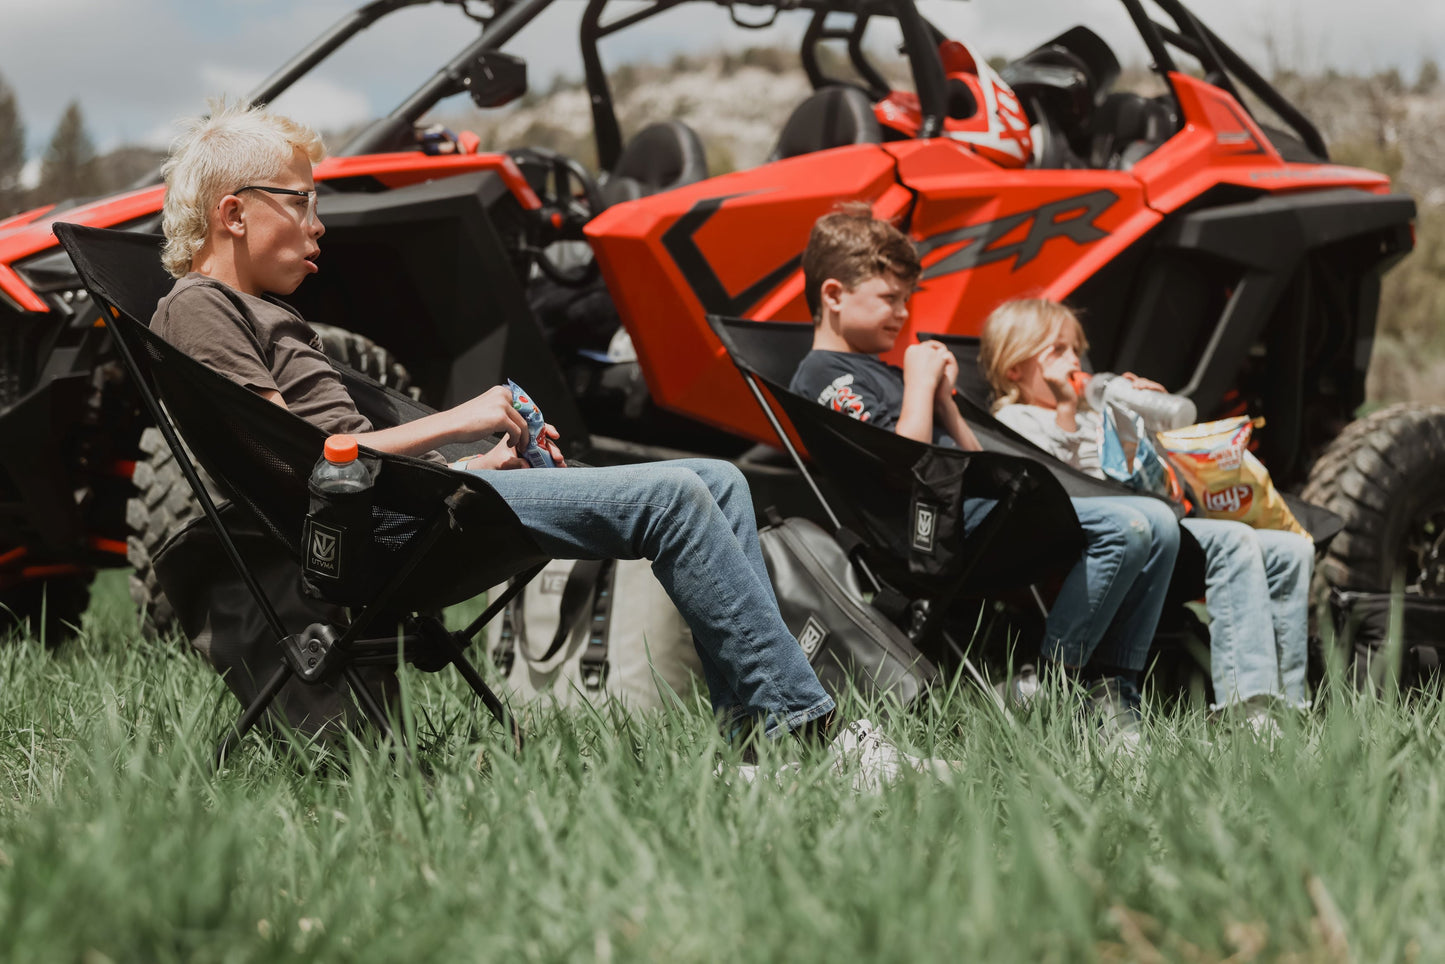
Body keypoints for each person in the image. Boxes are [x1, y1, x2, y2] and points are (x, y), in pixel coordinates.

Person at [149, 100, 951, 789]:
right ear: (234, 213)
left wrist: (467, 468)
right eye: (301, 202)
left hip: (406, 504)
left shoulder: (256, 311)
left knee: (718, 480)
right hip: (373, 536)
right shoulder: (200, 307)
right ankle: (802, 731)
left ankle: (755, 739)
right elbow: (310, 456)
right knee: (674, 498)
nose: (317, 223)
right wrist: (462, 419)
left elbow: (346, 449)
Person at [790, 204, 1179, 742]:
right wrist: (921, 384)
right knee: (1128, 527)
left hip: (980, 512)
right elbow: (907, 466)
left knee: (1157, 521)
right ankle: (1053, 686)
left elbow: (969, 459)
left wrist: (945, 402)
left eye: (906, 299)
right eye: (888, 298)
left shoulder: (882, 370)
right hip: (930, 535)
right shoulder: (824, 375)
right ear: (833, 296)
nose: (902, 313)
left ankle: (1115, 691)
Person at [980, 298, 1313, 727]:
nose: (1075, 361)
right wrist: (1066, 410)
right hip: (1099, 540)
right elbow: (1051, 480)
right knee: (1235, 540)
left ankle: (1290, 701)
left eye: (1076, 349)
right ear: (1014, 369)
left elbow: (1152, 483)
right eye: (1057, 351)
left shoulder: (1090, 416)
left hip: (1158, 525)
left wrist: (1136, 418)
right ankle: (1247, 707)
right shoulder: (1015, 418)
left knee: (1291, 550)